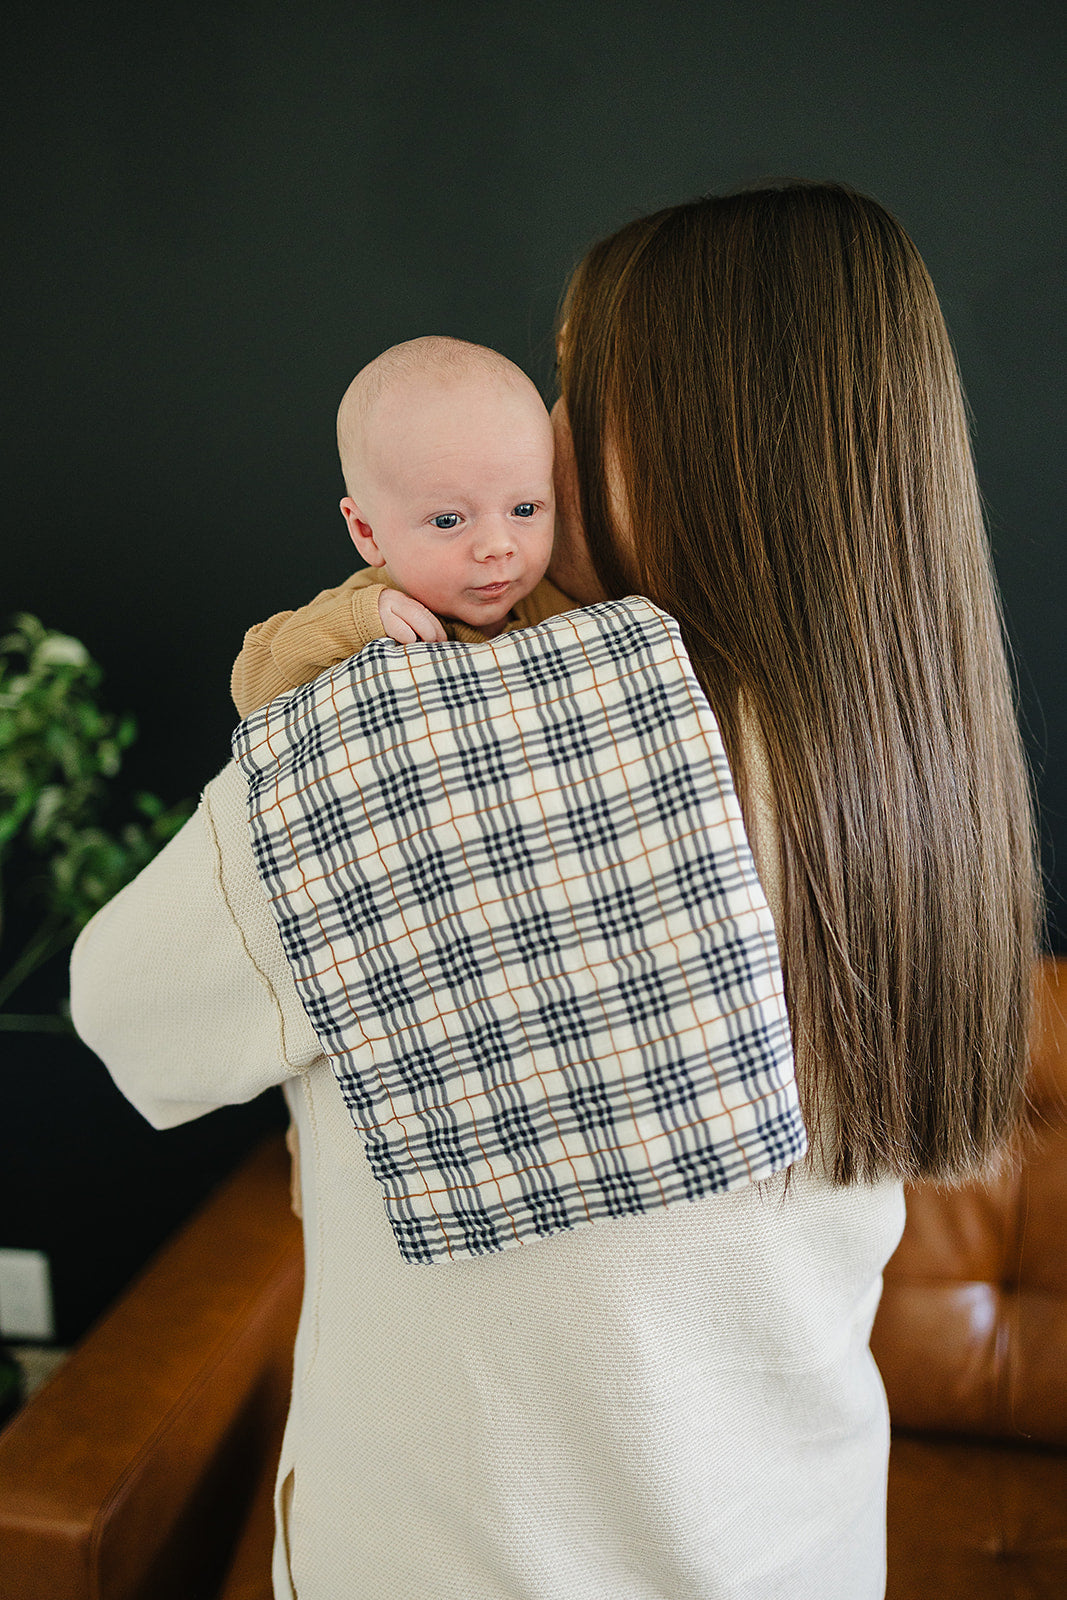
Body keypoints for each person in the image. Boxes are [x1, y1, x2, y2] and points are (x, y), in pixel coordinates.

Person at [70, 182, 1040, 1599]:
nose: (541, 435)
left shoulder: (414, 746)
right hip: (800, 1551)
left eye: (576, 390)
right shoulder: (925, 785)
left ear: (675, 438)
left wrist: (342, 673)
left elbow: (124, 1010)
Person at [230, 335, 572, 720]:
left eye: (524, 510)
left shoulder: (554, 604)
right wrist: (359, 622)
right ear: (367, 532)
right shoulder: (363, 610)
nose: (497, 546)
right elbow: (251, 687)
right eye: (448, 520)